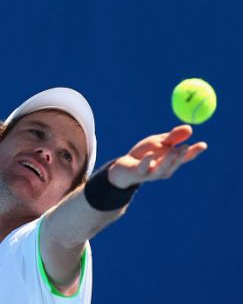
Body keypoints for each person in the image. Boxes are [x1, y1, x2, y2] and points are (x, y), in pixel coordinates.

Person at [0, 87, 207, 303]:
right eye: (36, 133)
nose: (46, 152)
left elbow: (61, 234)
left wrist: (114, 182)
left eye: (66, 156)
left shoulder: (36, 250)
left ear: (68, 195)